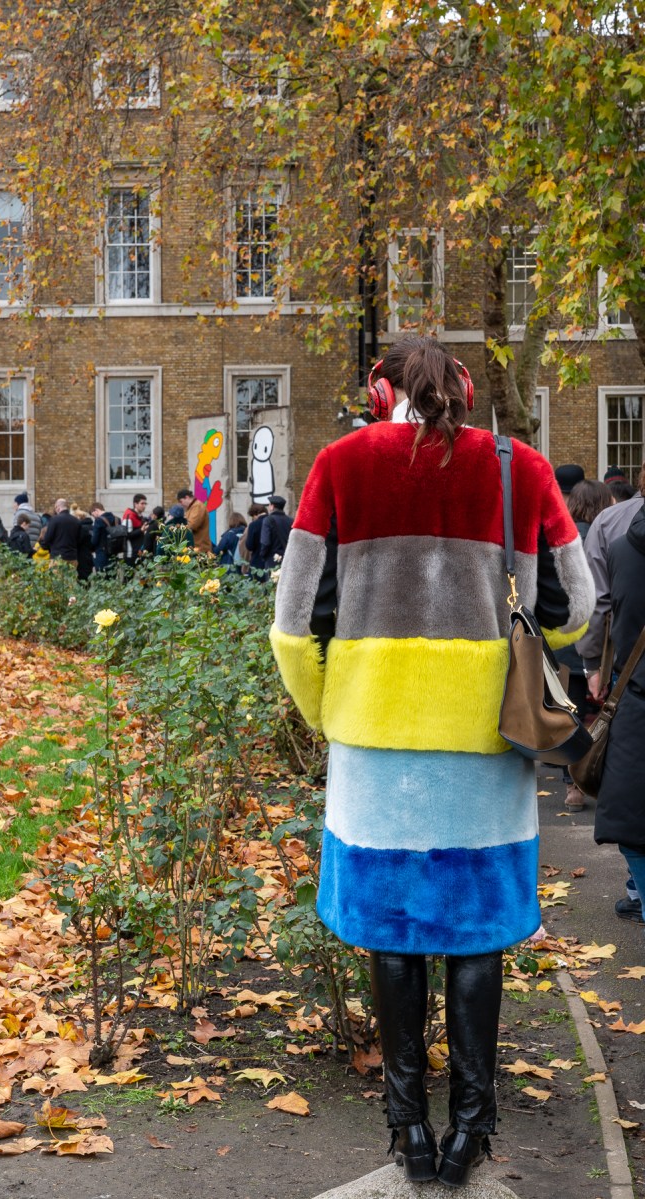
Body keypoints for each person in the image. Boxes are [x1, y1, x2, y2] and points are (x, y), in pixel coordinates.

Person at [270, 335, 595, 1188]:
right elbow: (576, 606)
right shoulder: (519, 466)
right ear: (463, 390)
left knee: (394, 929)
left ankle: (407, 1127)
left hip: (375, 746)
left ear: (380, 394)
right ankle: (471, 1131)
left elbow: (292, 624)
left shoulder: (339, 465)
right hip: (486, 741)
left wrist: (331, 707)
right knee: (477, 930)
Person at [579, 463, 645, 922]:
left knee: (632, 815)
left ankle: (639, 891)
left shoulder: (618, 538)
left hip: (636, 686)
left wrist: (593, 666)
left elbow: (600, 604)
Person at [557, 479, 615, 810]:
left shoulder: (560, 538)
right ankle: (598, 773)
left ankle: (572, 785)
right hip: (600, 641)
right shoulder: (608, 536)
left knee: (569, 712)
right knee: (607, 712)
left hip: (566, 635)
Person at [39, 498, 80, 565]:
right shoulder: (76, 521)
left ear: (57, 507)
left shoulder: (54, 520)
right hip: (72, 557)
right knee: (71, 572)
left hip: (57, 557)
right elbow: (79, 540)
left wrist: (43, 545)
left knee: (56, 572)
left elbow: (47, 538)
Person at [260, 495, 292, 568]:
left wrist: (263, 555)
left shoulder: (267, 520)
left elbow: (265, 542)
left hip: (272, 560)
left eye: (269, 505)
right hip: (287, 559)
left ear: (272, 506)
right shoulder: (291, 520)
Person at [177, 488, 212, 553]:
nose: (181, 504)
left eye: (181, 501)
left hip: (200, 548)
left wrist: (178, 528)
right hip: (196, 547)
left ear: (187, 497)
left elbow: (192, 525)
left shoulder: (197, 506)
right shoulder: (192, 507)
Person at [122, 493, 150, 564]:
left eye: (145, 504)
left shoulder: (140, 516)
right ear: (135, 504)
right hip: (131, 553)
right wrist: (141, 530)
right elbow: (126, 535)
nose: (144, 506)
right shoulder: (129, 516)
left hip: (139, 552)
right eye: (142, 503)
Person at [244, 502, 268, 576]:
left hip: (257, 562)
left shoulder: (253, 525)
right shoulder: (274, 521)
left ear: (255, 514)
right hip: (272, 561)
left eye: (252, 516)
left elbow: (249, 546)